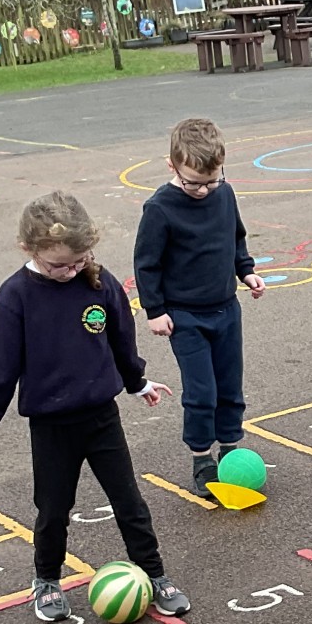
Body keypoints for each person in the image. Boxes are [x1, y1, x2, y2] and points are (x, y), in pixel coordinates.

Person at [0, 192, 189, 624]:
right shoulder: (15, 297)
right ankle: (46, 580)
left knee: (129, 501)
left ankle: (155, 574)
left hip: (101, 417)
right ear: (29, 250)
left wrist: (137, 383)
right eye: (57, 265)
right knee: (52, 509)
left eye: (78, 261)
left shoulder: (98, 284)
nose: (68, 272)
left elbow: (122, 340)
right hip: (51, 425)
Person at [134, 117, 265, 493]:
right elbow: (146, 263)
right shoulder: (160, 208)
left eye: (212, 180)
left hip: (226, 308)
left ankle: (229, 449)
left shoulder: (224, 194)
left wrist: (247, 271)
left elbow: (234, 237)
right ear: (172, 166)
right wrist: (155, 310)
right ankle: (201, 457)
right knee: (202, 392)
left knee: (229, 386)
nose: (205, 190)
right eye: (194, 182)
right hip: (184, 316)